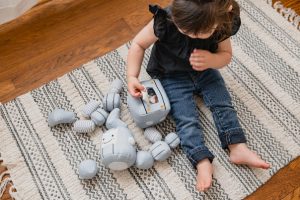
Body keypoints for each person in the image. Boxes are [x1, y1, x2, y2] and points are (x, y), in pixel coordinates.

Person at [127, 0, 270, 192]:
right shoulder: (166, 20)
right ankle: (201, 159)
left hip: (205, 71)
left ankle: (237, 146)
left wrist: (212, 59)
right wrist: (131, 76)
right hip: (171, 75)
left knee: (223, 104)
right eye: (184, 29)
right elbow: (138, 44)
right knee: (185, 118)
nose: (189, 35)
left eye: (198, 33)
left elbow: (226, 55)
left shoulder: (221, 21)